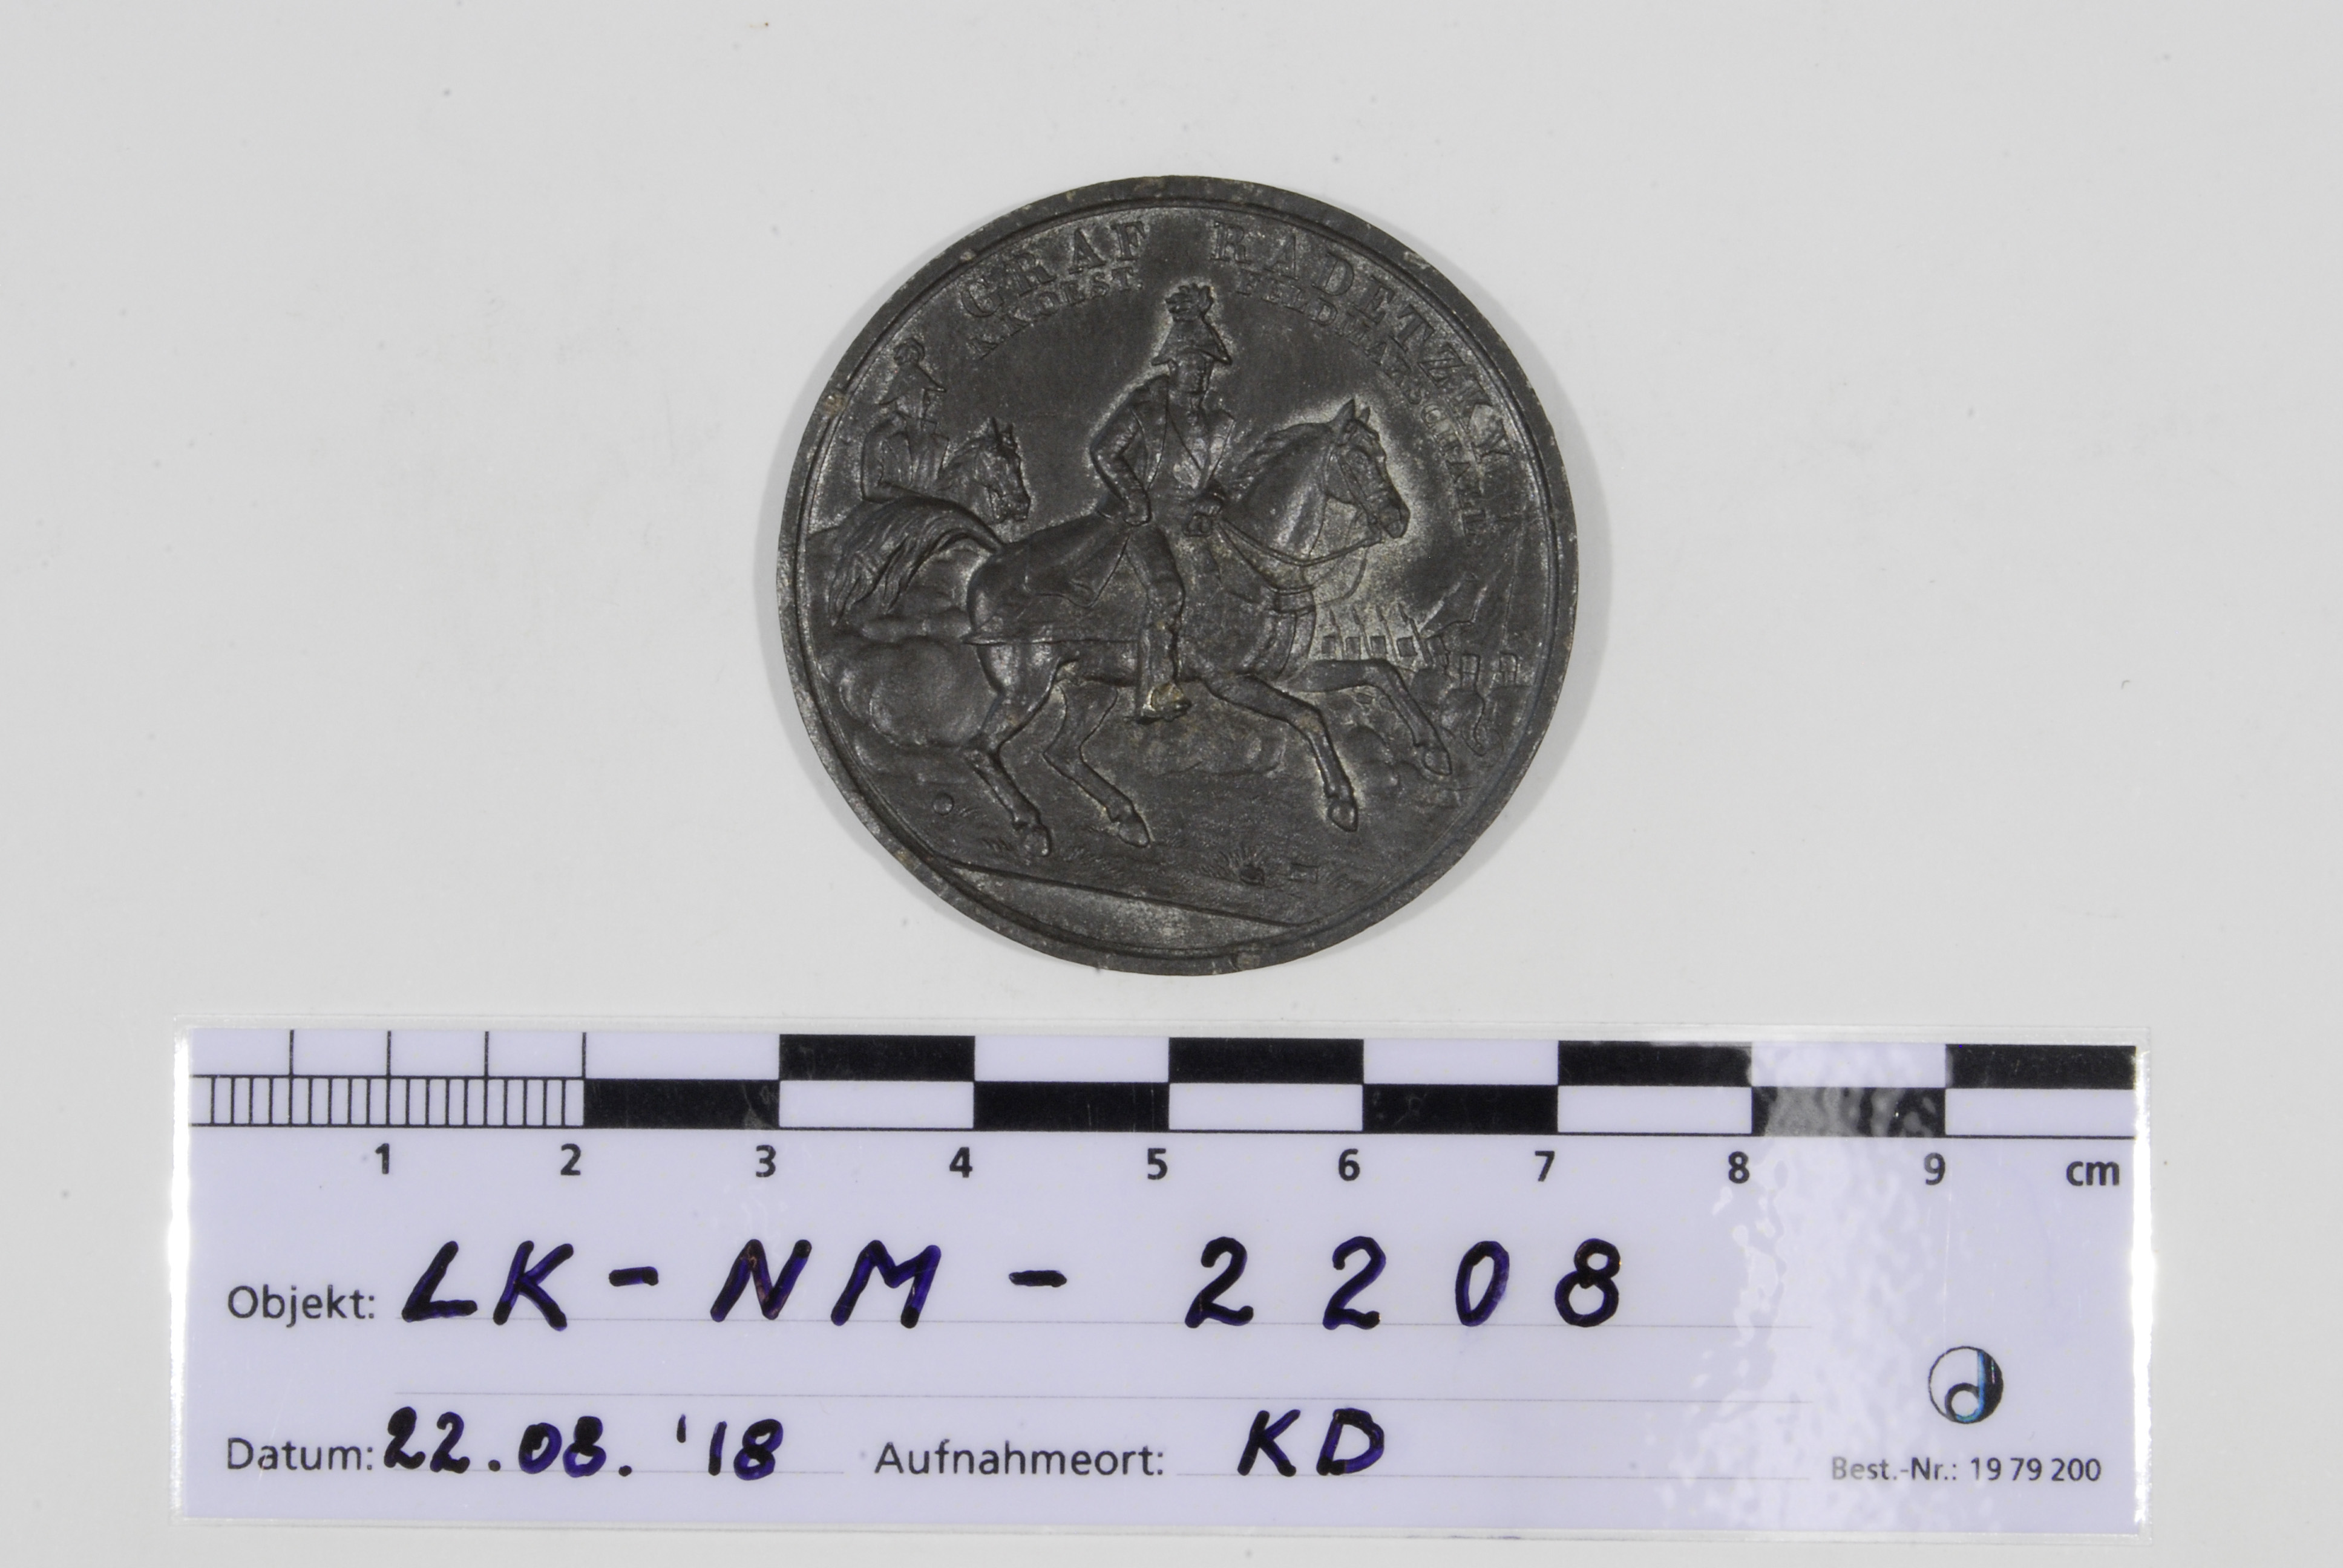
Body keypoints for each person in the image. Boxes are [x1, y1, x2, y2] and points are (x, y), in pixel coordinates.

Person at [1087, 283, 1238, 723]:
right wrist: (1135, 498)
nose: (1200, 373)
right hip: (1142, 524)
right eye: (1192, 363)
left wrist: (1212, 500)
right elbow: (1104, 451)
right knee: (1168, 592)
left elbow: (1216, 479)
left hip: (1188, 526)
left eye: (1206, 365)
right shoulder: (1147, 405)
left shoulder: (1217, 423)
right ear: (1173, 363)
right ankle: (1155, 692)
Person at [859, 338, 948, 501]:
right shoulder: (879, 438)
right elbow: (871, 490)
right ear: (904, 396)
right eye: (922, 393)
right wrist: (918, 500)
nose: (928, 401)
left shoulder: (936, 443)